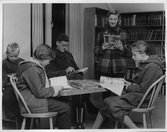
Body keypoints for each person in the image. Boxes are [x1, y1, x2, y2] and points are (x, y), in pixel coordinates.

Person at [92, 40, 164, 129]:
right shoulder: (146, 65)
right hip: (138, 95)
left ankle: (135, 129)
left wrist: (128, 86)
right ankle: (93, 129)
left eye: (134, 55)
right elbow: (142, 84)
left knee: (112, 105)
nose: (132, 57)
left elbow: (143, 89)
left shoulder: (153, 67)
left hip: (143, 99)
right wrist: (130, 83)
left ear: (143, 53)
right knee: (106, 101)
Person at [16, 44, 71, 129]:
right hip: (32, 102)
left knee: (65, 102)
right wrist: (54, 89)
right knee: (65, 108)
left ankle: (51, 128)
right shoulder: (32, 69)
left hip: (32, 99)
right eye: (49, 60)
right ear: (43, 57)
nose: (49, 62)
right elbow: (40, 92)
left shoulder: (30, 66)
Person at [94, 9, 135, 99]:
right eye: (111, 19)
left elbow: (129, 53)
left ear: (118, 20)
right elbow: (96, 52)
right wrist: (102, 48)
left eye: (115, 19)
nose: (112, 21)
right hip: (104, 67)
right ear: (107, 19)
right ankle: (106, 112)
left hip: (119, 68)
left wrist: (121, 48)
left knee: (117, 95)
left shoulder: (124, 33)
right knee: (105, 94)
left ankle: (115, 112)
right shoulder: (101, 34)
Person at [2, 42, 24, 125]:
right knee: (7, 98)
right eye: (11, 56)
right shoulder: (3, 63)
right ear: (7, 54)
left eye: (16, 56)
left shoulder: (22, 62)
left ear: (19, 53)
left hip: (21, 85)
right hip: (10, 85)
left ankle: (27, 116)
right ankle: (19, 115)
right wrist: (3, 86)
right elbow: (3, 77)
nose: (14, 58)